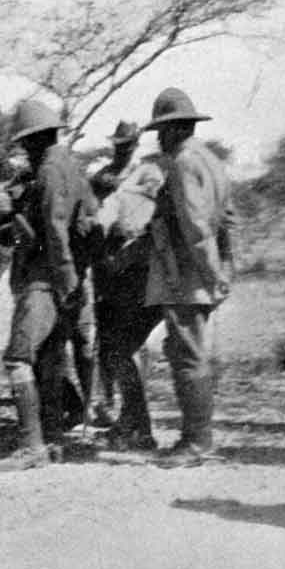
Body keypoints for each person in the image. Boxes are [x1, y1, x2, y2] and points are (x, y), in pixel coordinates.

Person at [0, 100, 98, 472]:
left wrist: (10, 214)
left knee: (18, 358)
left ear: (35, 138)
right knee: (50, 361)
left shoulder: (50, 171)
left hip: (44, 278)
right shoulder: (73, 168)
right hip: (66, 278)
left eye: (26, 142)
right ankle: (52, 441)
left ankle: (31, 446)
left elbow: (53, 230)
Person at [142, 88, 234, 468]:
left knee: (187, 356)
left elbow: (196, 226)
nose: (159, 138)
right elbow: (227, 220)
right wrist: (225, 267)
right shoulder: (211, 160)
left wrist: (212, 274)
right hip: (202, 270)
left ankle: (196, 441)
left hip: (185, 272)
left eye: (162, 130)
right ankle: (197, 437)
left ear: (174, 129)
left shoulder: (181, 163)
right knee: (191, 353)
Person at [92, 156, 166, 451]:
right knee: (129, 356)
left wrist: (108, 254)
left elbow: (97, 231)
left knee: (118, 355)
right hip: (160, 291)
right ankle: (131, 426)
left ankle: (140, 429)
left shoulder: (118, 199)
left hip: (127, 287)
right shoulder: (163, 205)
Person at [88, 120, 144, 428]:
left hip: (136, 264)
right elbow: (94, 219)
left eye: (129, 144)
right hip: (107, 264)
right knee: (107, 334)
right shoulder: (102, 177)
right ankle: (106, 402)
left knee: (133, 339)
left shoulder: (146, 174)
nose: (124, 149)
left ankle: (132, 408)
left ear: (137, 144)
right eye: (119, 145)